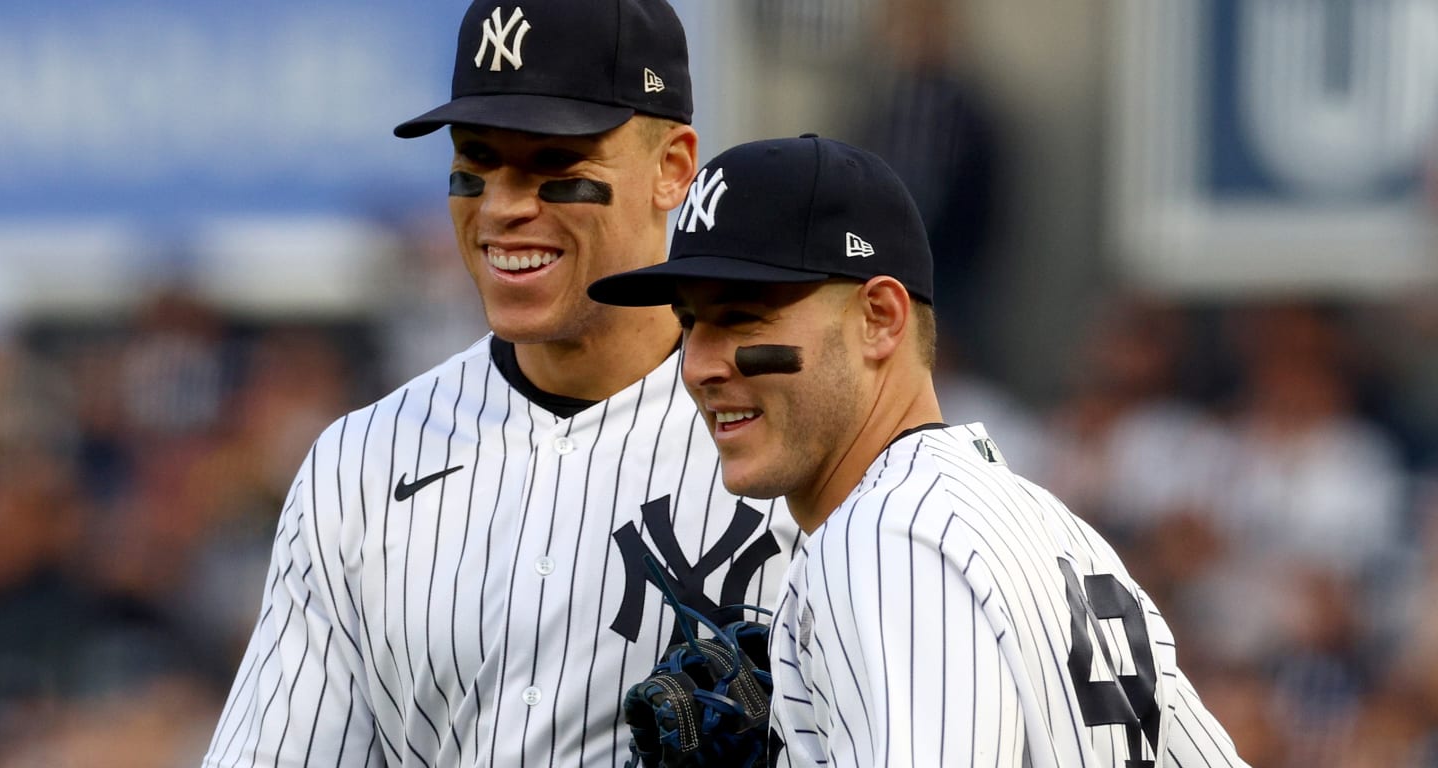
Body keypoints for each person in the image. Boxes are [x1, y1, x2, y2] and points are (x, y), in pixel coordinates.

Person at [202, 1, 800, 765]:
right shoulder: (359, 465)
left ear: (672, 168)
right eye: (474, 165)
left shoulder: (792, 448)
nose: (503, 207)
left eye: (556, 166)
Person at [589, 135, 1250, 767]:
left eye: (740, 317)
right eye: (689, 322)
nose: (698, 363)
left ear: (879, 318)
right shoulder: (1063, 535)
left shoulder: (884, 537)